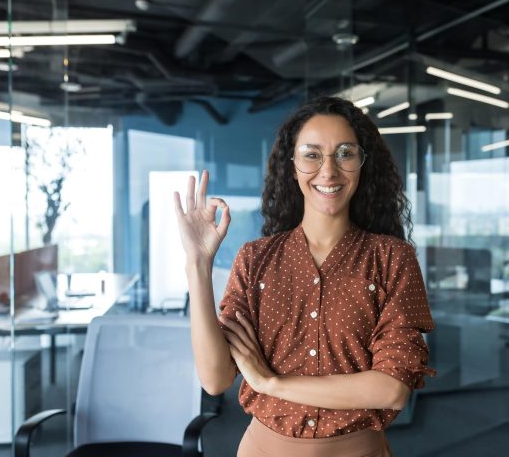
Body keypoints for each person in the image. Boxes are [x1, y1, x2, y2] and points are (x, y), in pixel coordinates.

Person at [174, 96, 436, 457]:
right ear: (292, 165)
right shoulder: (255, 258)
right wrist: (198, 264)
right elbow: (216, 379)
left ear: (362, 164)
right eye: (312, 154)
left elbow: (391, 388)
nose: (328, 170)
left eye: (344, 153)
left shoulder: (392, 258)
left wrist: (271, 382)